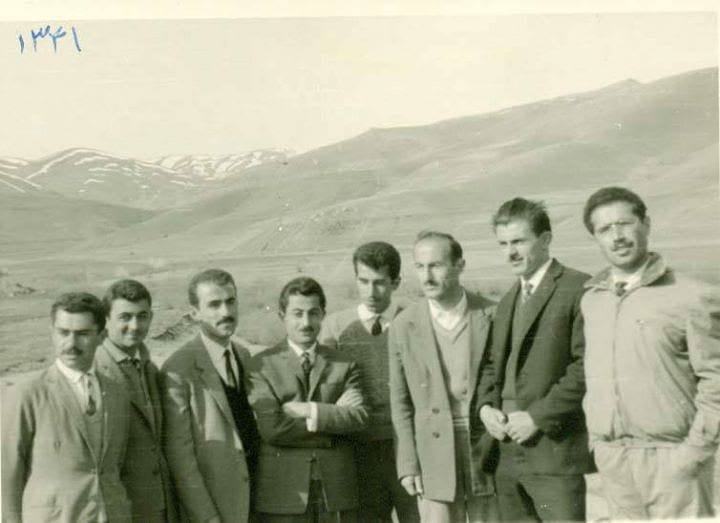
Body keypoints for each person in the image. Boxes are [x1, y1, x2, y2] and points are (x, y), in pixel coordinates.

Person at [581, 186, 720, 519]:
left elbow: (716, 380)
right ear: (596, 238)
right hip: (614, 463)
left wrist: (694, 452)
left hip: (674, 460)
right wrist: (598, 445)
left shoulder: (692, 296)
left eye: (624, 224)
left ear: (646, 224)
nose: (617, 237)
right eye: (605, 229)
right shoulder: (592, 300)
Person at [476, 198, 593, 521]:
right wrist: (485, 408)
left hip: (554, 453)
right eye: (503, 244)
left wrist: (537, 418)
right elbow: (491, 364)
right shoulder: (508, 300)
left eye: (519, 241)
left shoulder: (578, 288)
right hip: (505, 453)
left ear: (545, 239)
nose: (510, 253)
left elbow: (586, 367)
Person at [389, 231, 498, 522]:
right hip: (432, 454)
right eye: (420, 267)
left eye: (436, 266)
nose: (427, 276)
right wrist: (408, 463)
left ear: (460, 265)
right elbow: (400, 402)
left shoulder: (491, 315)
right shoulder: (403, 325)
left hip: (486, 448)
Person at [2, 292, 132, 522]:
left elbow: (116, 464)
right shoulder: (27, 394)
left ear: (101, 336)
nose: (71, 344)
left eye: (83, 334)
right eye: (63, 333)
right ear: (52, 333)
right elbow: (7, 475)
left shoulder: (117, 393)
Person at [247, 276, 369, 522]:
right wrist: (332, 418)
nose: (306, 322)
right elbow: (272, 429)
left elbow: (359, 418)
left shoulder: (344, 363)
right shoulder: (259, 365)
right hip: (284, 493)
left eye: (313, 313)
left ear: (323, 315)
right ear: (282, 316)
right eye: (297, 314)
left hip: (336, 490)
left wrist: (309, 410)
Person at [320, 241, 420, 522]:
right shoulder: (334, 327)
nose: (371, 292)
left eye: (379, 283)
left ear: (396, 282)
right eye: (363, 281)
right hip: (358, 450)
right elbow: (322, 385)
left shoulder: (415, 320)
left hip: (409, 445)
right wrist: (335, 402)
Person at [161, 269, 260, 523]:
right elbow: (181, 461)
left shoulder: (244, 355)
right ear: (195, 313)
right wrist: (207, 518)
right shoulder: (178, 370)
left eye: (230, 301)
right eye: (214, 305)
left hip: (254, 505)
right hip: (215, 510)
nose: (225, 312)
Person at [95, 279, 178, 522]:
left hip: (158, 508)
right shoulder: (94, 371)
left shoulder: (149, 369)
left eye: (142, 316)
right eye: (125, 317)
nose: (135, 326)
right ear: (106, 320)